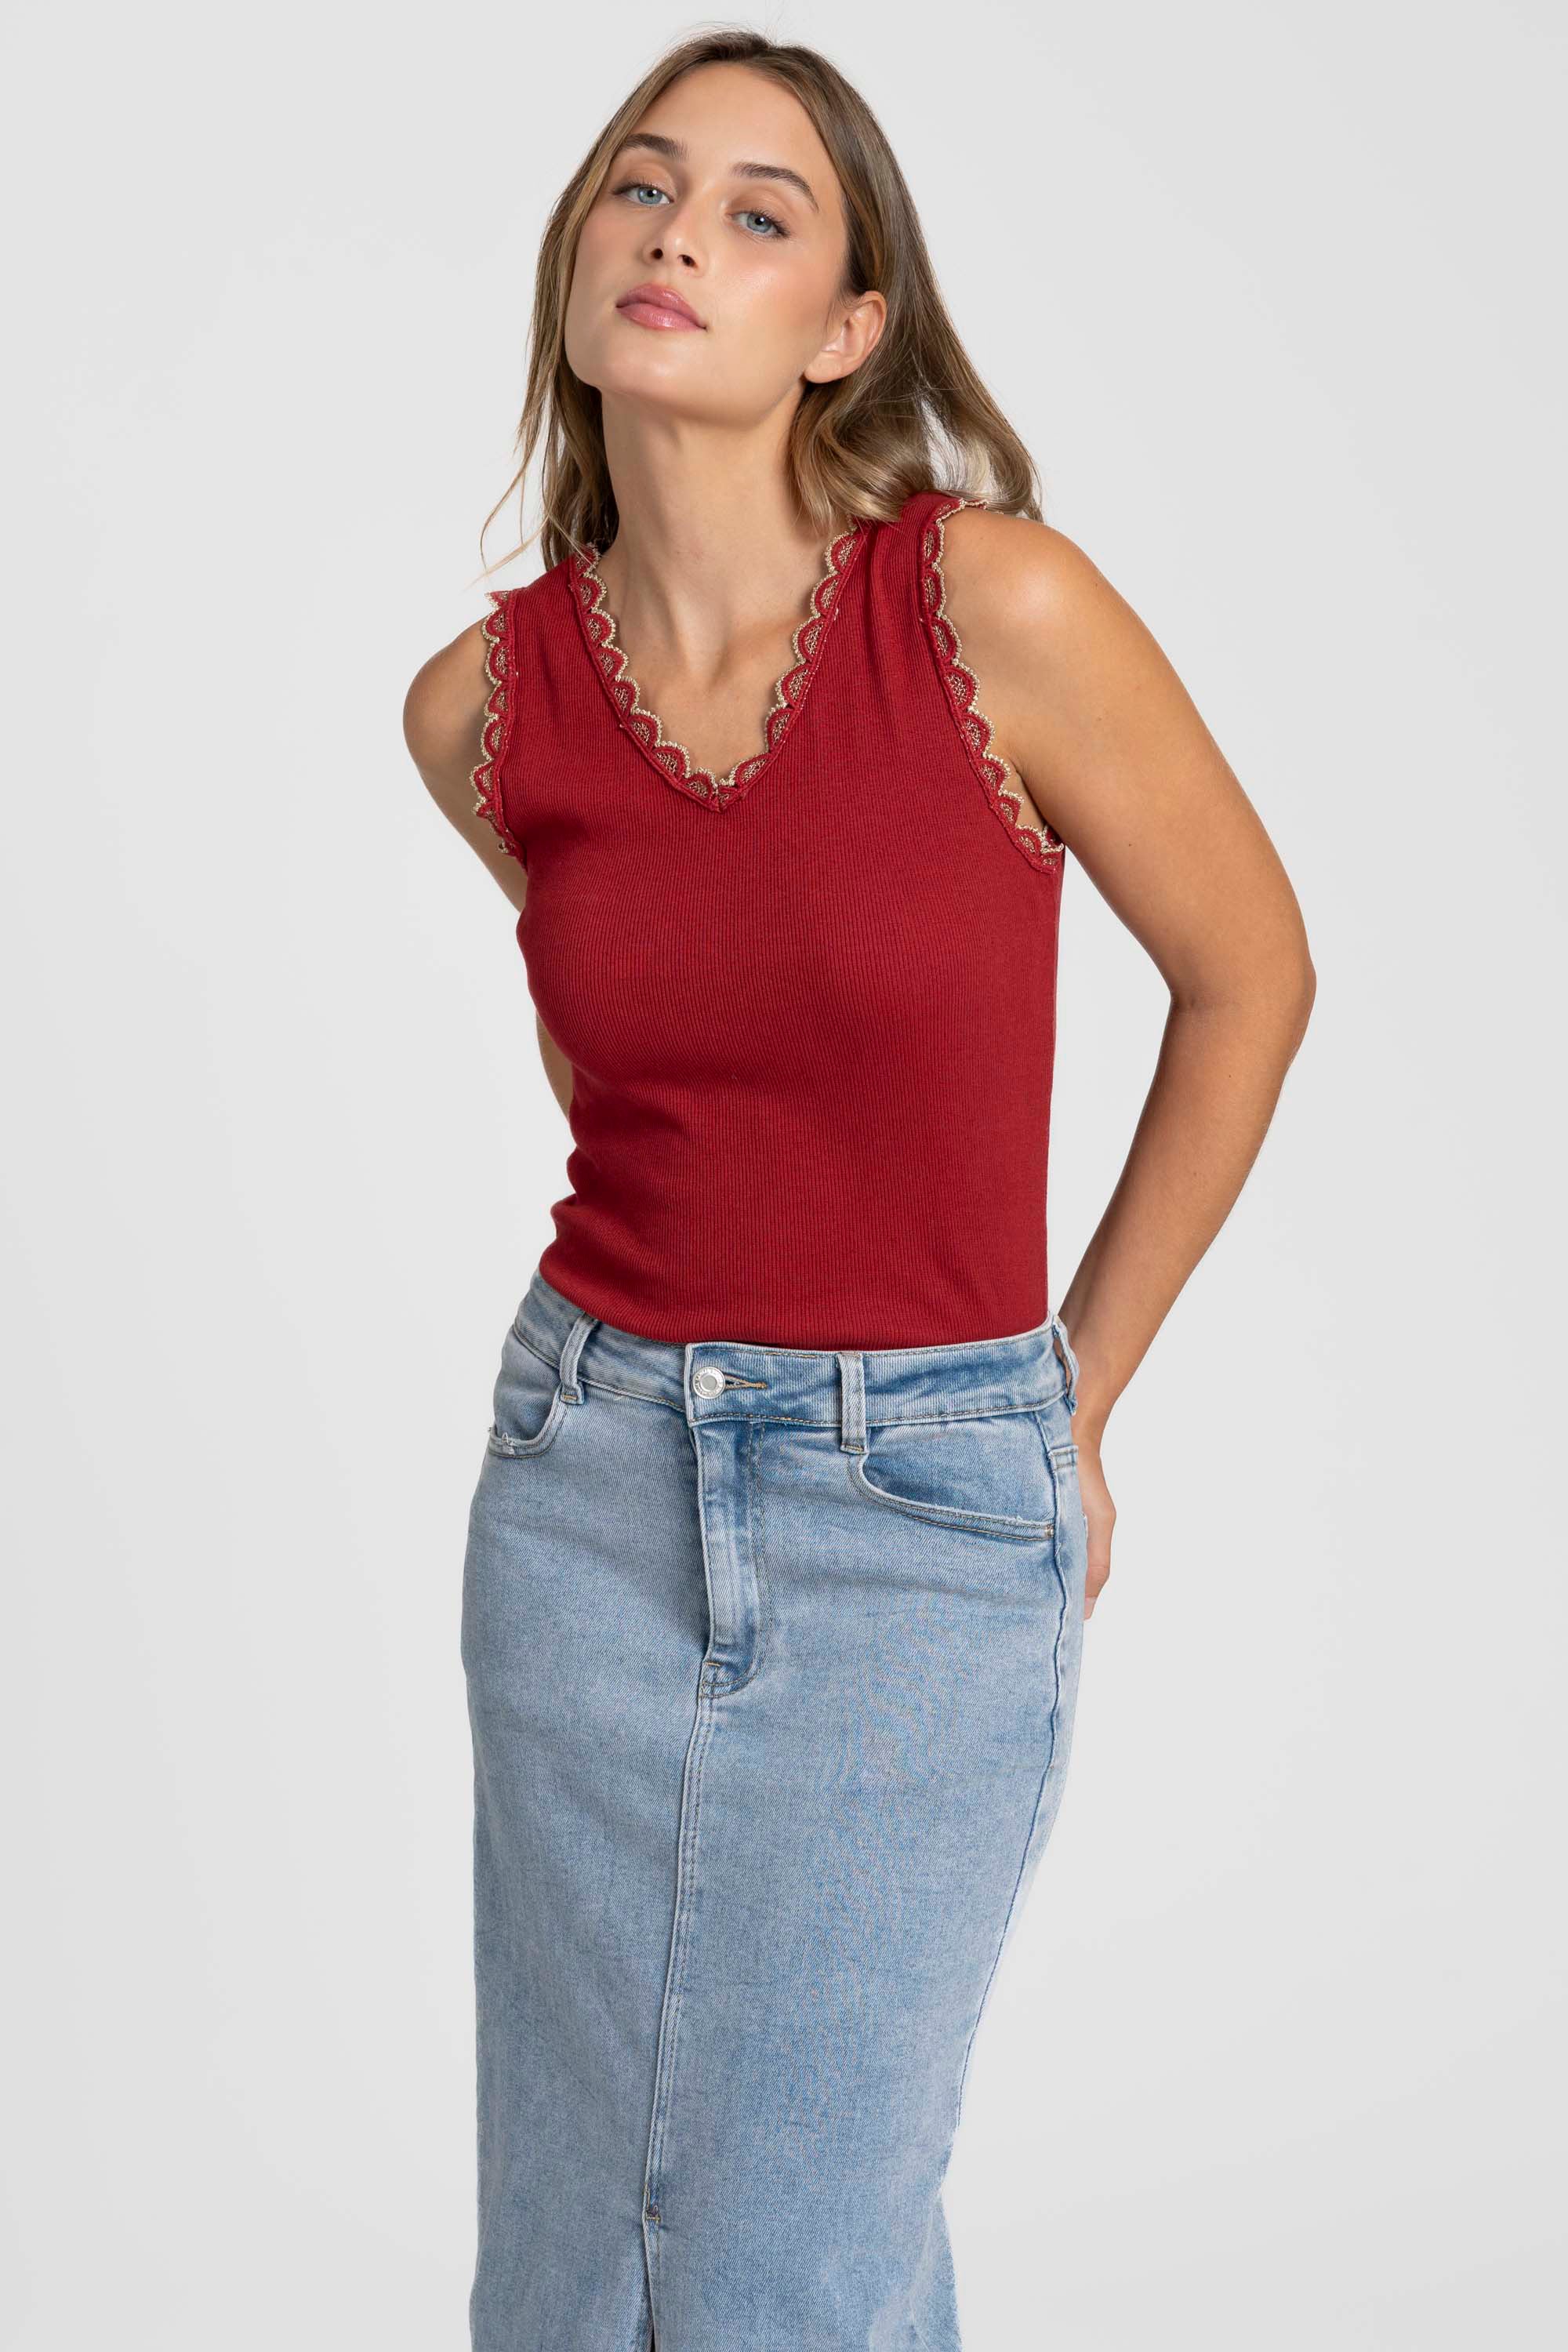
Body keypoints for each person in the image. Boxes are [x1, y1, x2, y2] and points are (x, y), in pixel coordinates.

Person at [402, 30, 1314, 2352]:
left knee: (791, 2267)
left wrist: (1067, 1403)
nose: (677, 235)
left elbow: (1251, 978)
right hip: (585, 1487)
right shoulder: (483, 711)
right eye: (639, 188)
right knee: (571, 2271)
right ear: (573, 255)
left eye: (759, 210)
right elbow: (636, 1059)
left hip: (920, 1516)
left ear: (848, 327)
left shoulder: (989, 611)